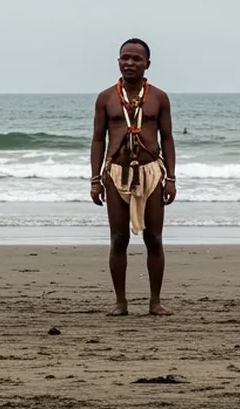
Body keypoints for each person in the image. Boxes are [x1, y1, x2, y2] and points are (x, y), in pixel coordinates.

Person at [89, 38, 177, 316]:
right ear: (118, 61)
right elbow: (97, 140)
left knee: (154, 238)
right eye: (124, 58)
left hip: (151, 172)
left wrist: (171, 178)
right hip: (116, 173)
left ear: (147, 64)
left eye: (136, 59)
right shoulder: (106, 98)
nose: (129, 63)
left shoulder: (159, 97)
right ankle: (121, 302)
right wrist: (94, 179)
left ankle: (155, 301)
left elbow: (168, 138)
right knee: (118, 239)